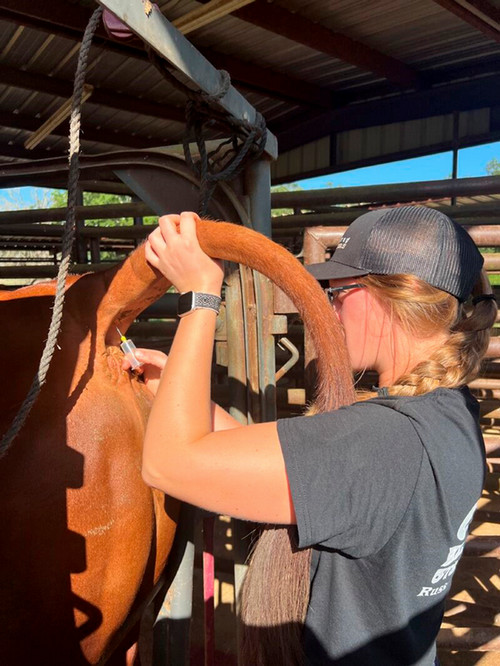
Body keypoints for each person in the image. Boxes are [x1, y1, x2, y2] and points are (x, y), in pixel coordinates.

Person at [123, 206, 497, 666]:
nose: (329, 308)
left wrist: (200, 296)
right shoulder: (447, 414)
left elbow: (167, 464)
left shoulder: (381, 442)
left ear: (387, 296)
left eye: (338, 292)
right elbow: (305, 478)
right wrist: (189, 402)